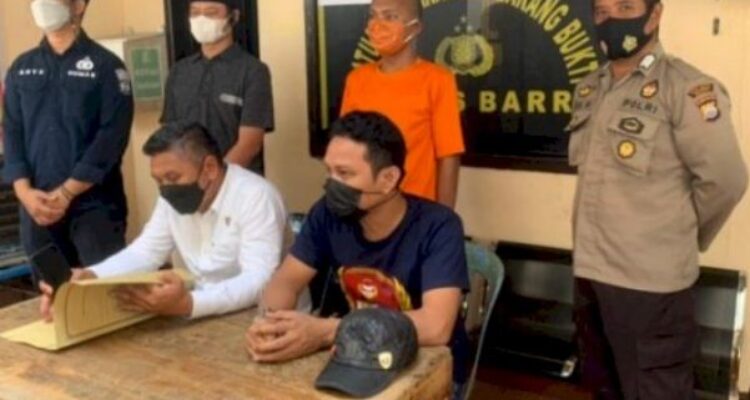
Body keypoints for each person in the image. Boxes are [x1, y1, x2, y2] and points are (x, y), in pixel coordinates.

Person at [568, 1, 748, 398]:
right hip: (591, 275)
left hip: (650, 286)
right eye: (602, 12)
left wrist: (679, 233)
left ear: (654, 15)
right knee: (604, 389)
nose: (612, 19)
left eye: (626, 6)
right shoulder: (590, 87)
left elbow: (726, 180)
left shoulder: (687, 89)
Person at [244, 111, 470, 397]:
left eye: (345, 174)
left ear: (388, 179)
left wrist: (327, 331)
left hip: (425, 367)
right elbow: (285, 282)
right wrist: (271, 326)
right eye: (329, 171)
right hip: (352, 360)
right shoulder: (326, 214)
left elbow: (437, 326)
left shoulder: (438, 225)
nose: (332, 184)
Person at [39, 122, 288, 320]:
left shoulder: (256, 196)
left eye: (173, 177)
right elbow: (146, 252)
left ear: (210, 168)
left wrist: (190, 303)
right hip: (197, 314)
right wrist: (92, 275)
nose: (166, 189)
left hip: (260, 317)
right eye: (158, 181)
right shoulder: (170, 199)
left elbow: (259, 280)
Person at [2, 0, 134, 276]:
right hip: (37, 206)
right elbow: (12, 131)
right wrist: (24, 192)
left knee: (104, 291)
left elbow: (111, 137)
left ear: (79, 6)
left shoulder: (107, 67)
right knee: (52, 293)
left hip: (94, 206)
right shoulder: (21, 67)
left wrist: (67, 193)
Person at [340, 0, 464, 208]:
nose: (378, 24)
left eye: (390, 17)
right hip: (364, 211)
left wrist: (444, 219)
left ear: (415, 27)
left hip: (416, 212)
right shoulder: (357, 80)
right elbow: (344, 151)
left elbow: (448, 156)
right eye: (373, 15)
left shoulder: (437, 80)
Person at [161, 0, 274, 174]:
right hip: (187, 181)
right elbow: (169, 134)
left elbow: (250, 144)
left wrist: (214, 178)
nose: (201, 19)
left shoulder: (253, 71)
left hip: (237, 181)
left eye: (211, 12)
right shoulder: (179, 71)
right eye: (195, 13)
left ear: (233, 17)